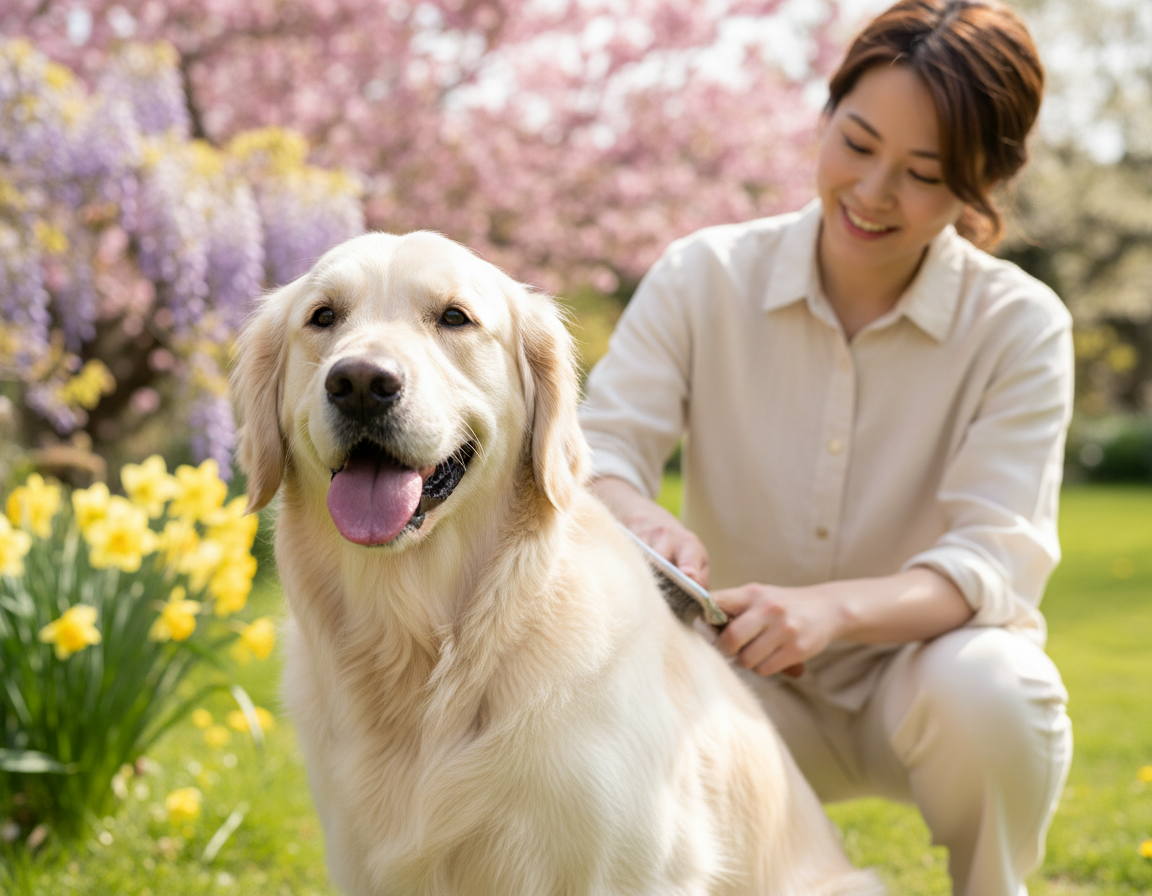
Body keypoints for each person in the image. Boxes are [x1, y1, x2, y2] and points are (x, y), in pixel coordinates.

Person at [577, 1, 1074, 894]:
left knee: (1000, 689)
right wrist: (642, 520)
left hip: (919, 686)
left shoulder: (1020, 326)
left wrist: (831, 612)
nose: (875, 191)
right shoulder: (704, 276)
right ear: (827, 114)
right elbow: (597, 452)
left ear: (980, 186)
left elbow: (992, 559)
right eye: (857, 141)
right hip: (734, 679)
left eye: (924, 173)